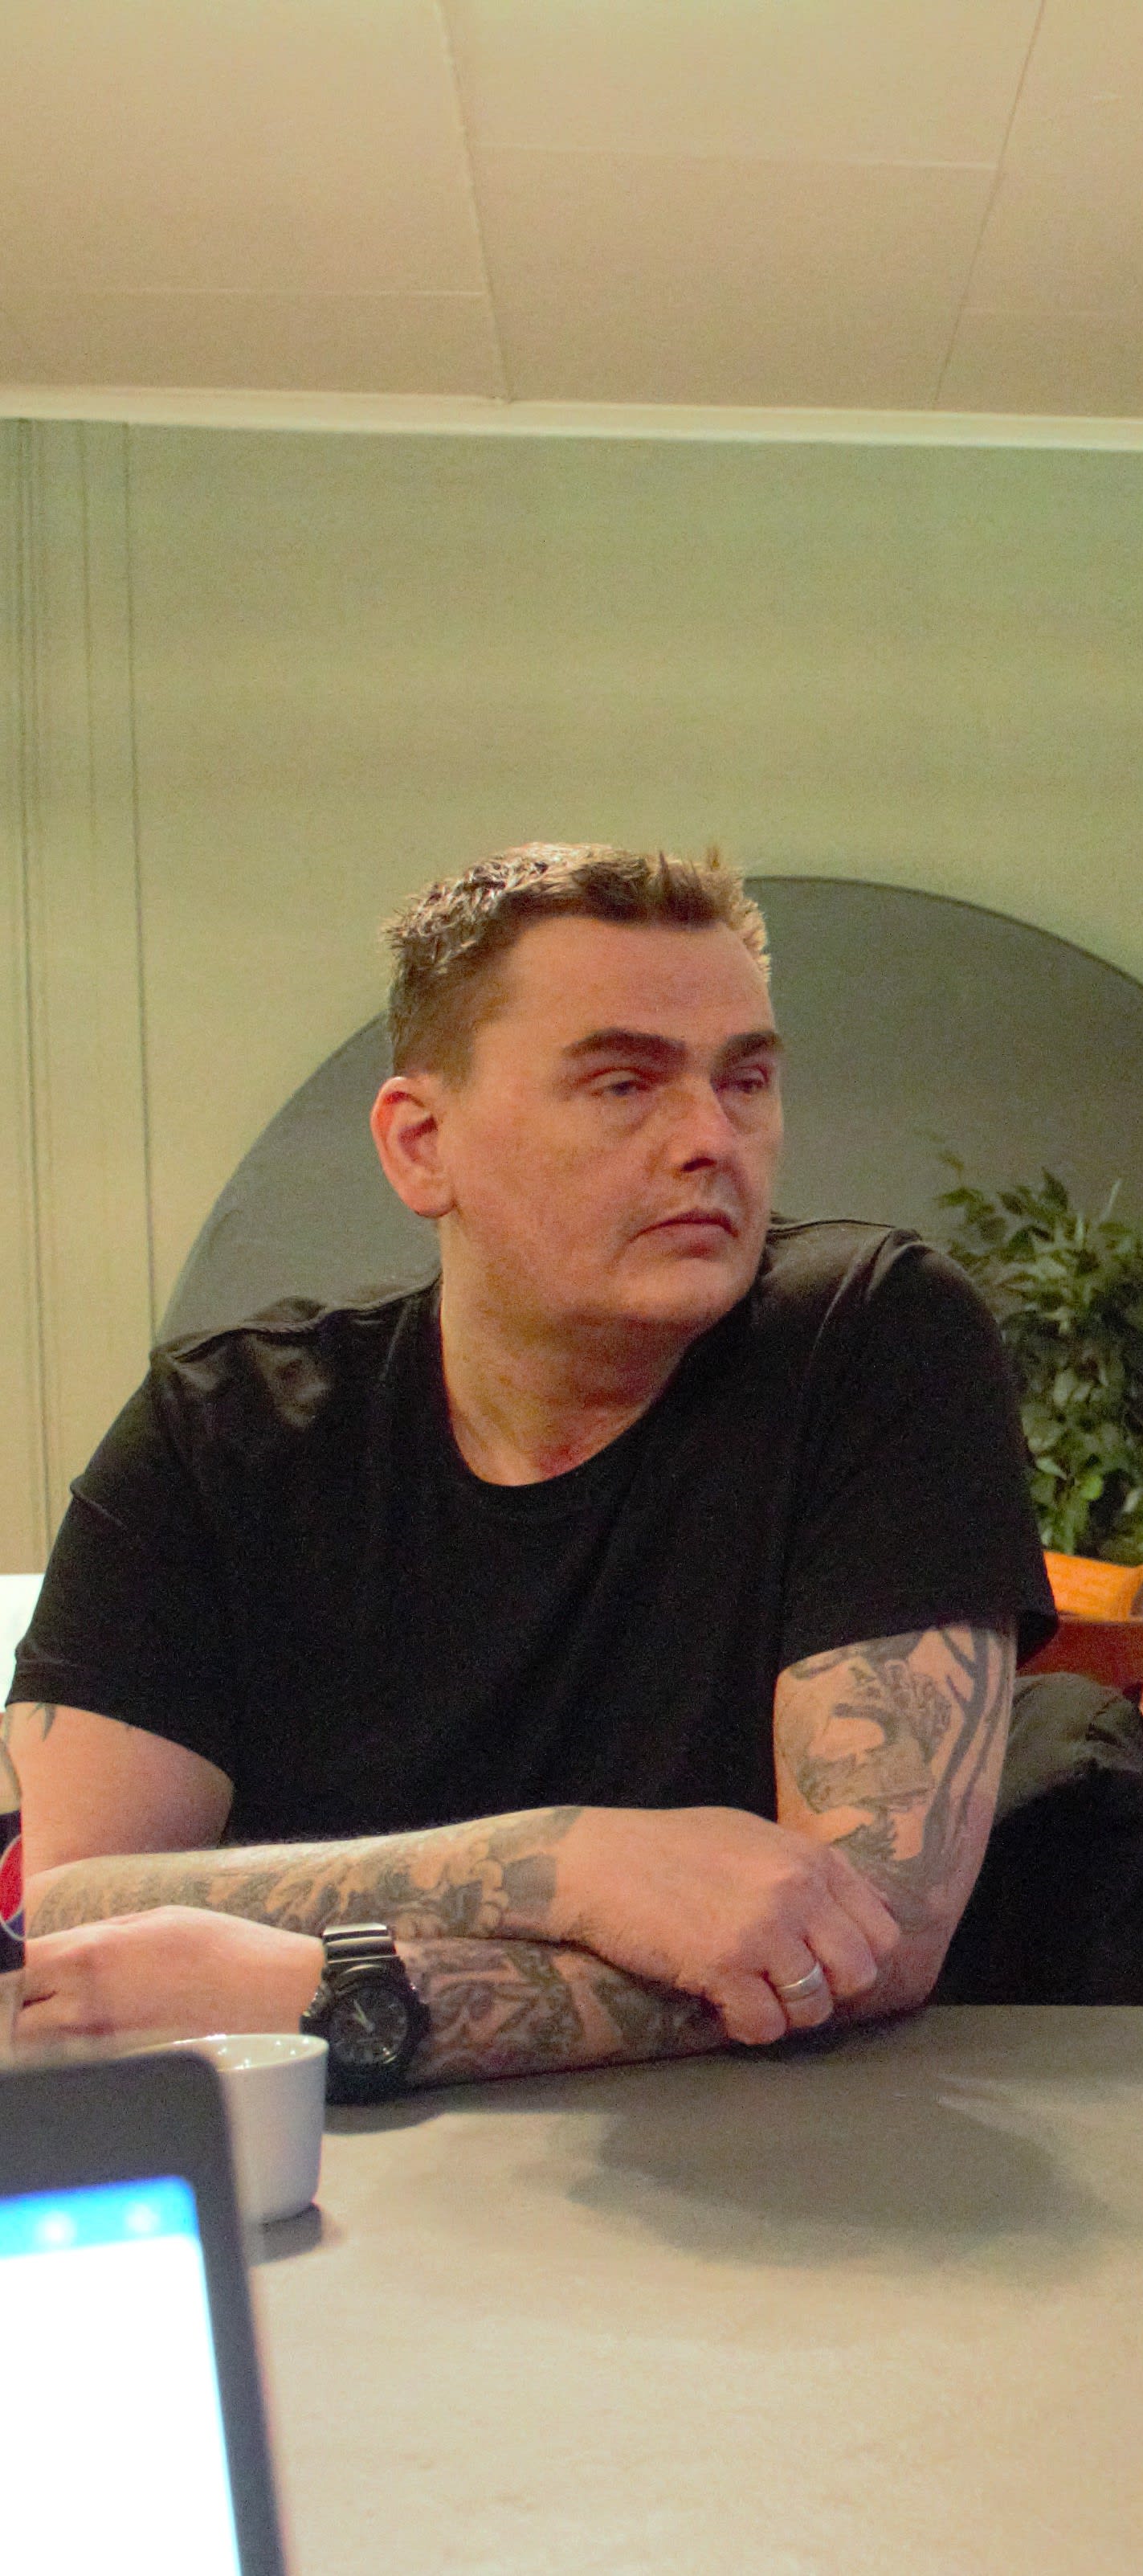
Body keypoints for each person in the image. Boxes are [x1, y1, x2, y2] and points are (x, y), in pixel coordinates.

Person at [2, 846, 1055, 2095]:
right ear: (421, 1145)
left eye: (746, 1079)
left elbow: (861, 1940)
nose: (711, 1139)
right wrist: (563, 1865)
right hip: (343, 2186)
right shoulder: (222, 1428)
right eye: (623, 1083)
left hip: (789, 2159)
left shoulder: (872, 1339)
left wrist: (345, 1997)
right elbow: (64, 1911)